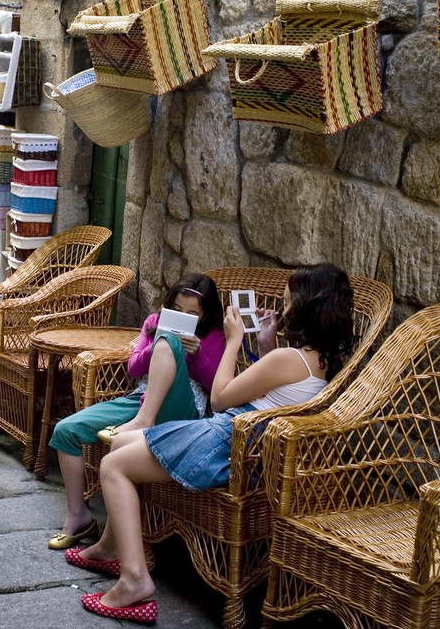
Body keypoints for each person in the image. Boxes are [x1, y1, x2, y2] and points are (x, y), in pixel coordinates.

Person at [68, 263, 355, 623]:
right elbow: (278, 394)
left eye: (286, 302)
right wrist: (266, 345)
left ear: (306, 309)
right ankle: (113, 547)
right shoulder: (322, 362)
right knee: (121, 442)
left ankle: (134, 582)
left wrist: (234, 341)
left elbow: (220, 398)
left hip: (226, 441)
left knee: (113, 466)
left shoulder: (289, 358)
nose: (282, 310)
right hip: (246, 449)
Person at [46, 273, 225, 551]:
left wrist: (196, 355)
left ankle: (144, 421)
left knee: (172, 343)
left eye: (192, 314)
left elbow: (217, 388)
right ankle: (78, 516)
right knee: (66, 430)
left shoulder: (214, 336)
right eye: (176, 310)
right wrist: (159, 344)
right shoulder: (154, 322)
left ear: (204, 317)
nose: (182, 316)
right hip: (141, 398)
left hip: (185, 407)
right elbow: (133, 368)